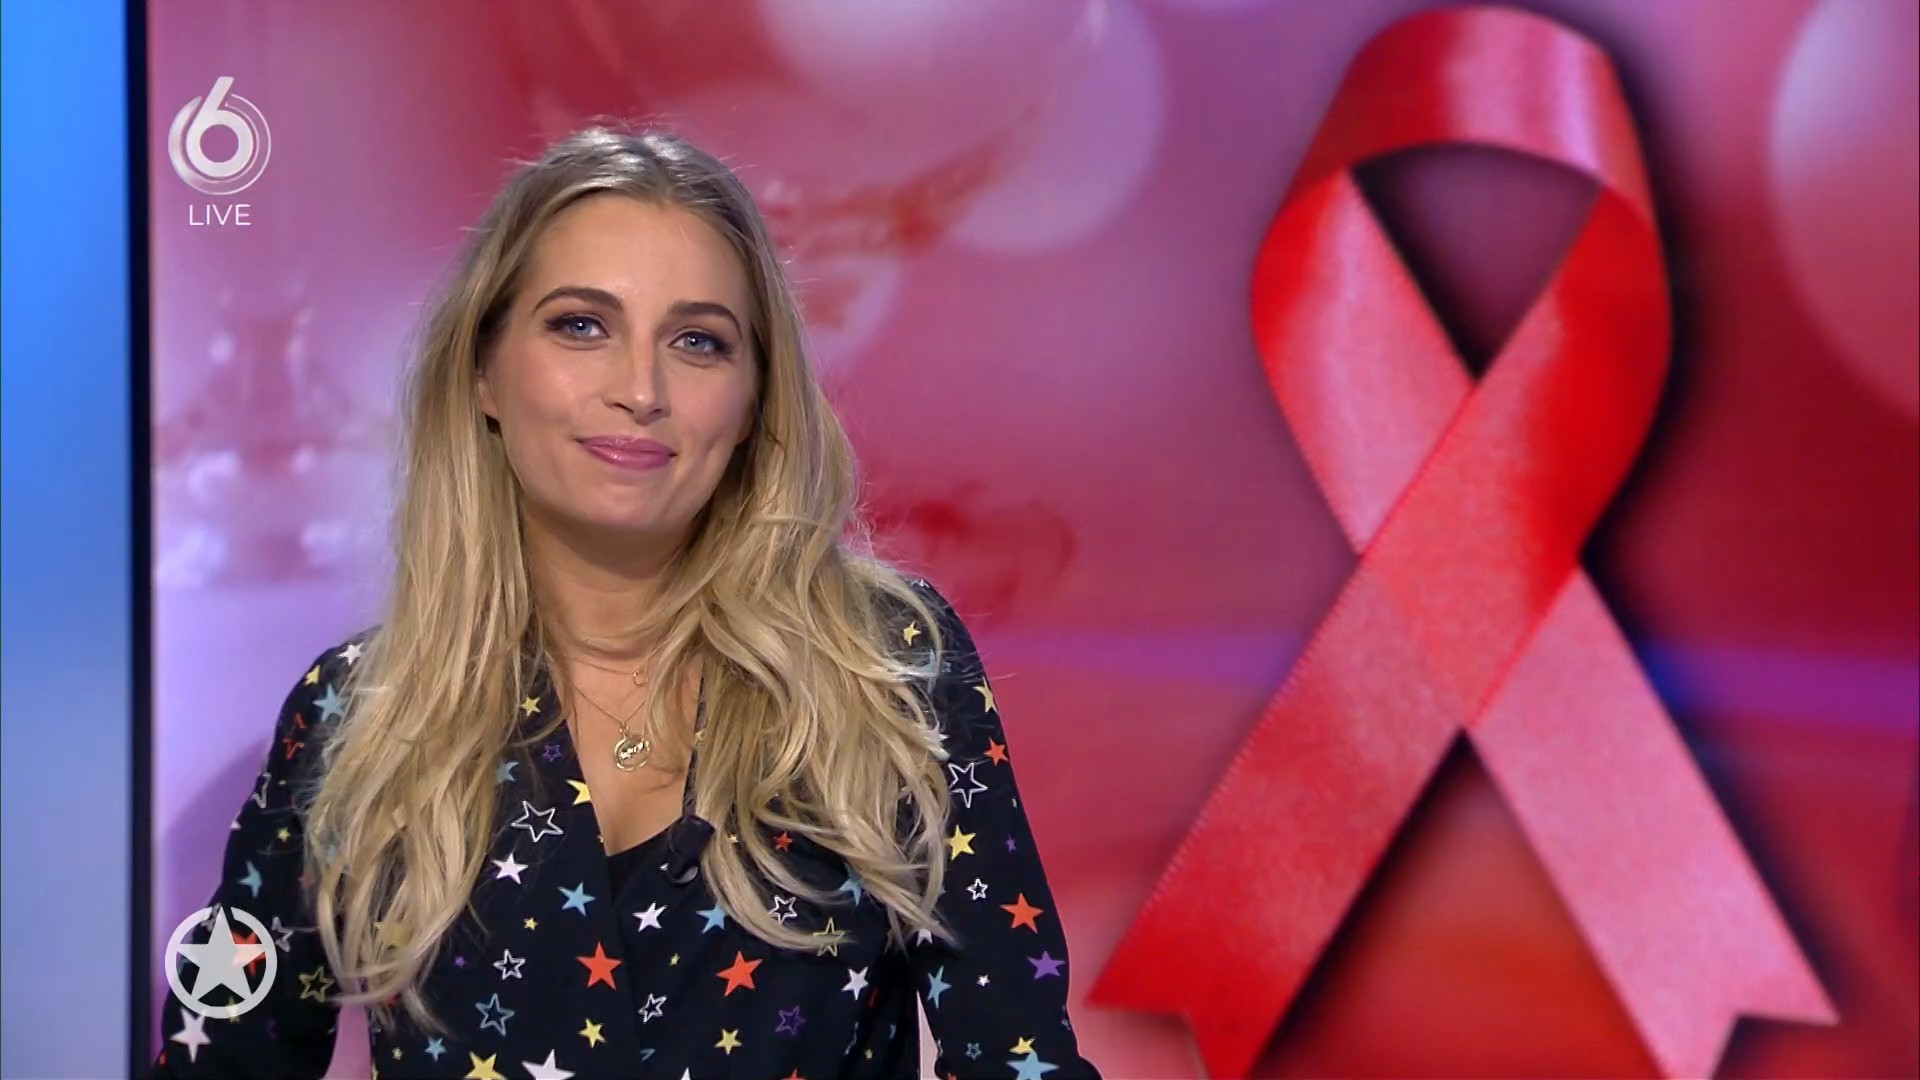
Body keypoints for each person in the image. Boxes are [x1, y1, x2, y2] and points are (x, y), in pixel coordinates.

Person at [150, 126, 1100, 1080]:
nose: (641, 390)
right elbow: (218, 1061)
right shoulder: (353, 713)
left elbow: (1018, 1060)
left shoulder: (886, 664)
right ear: (483, 371)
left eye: (698, 341)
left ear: (755, 399)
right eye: (581, 325)